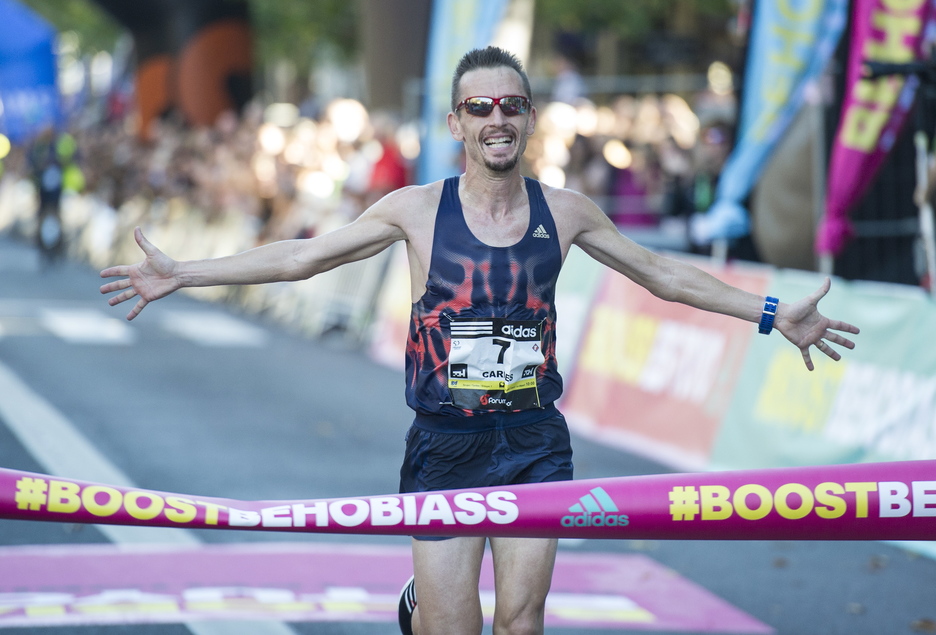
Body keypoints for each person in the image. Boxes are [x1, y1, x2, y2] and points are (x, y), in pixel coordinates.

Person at [100, 47, 859, 635]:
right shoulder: (416, 210)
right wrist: (185, 272)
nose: (498, 117)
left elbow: (662, 274)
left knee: (521, 621)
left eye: (512, 104)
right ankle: (421, 606)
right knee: (452, 625)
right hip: (445, 443)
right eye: (480, 106)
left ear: (529, 118)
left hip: (533, 440)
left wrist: (769, 312)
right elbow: (304, 256)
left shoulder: (565, 212)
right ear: (457, 122)